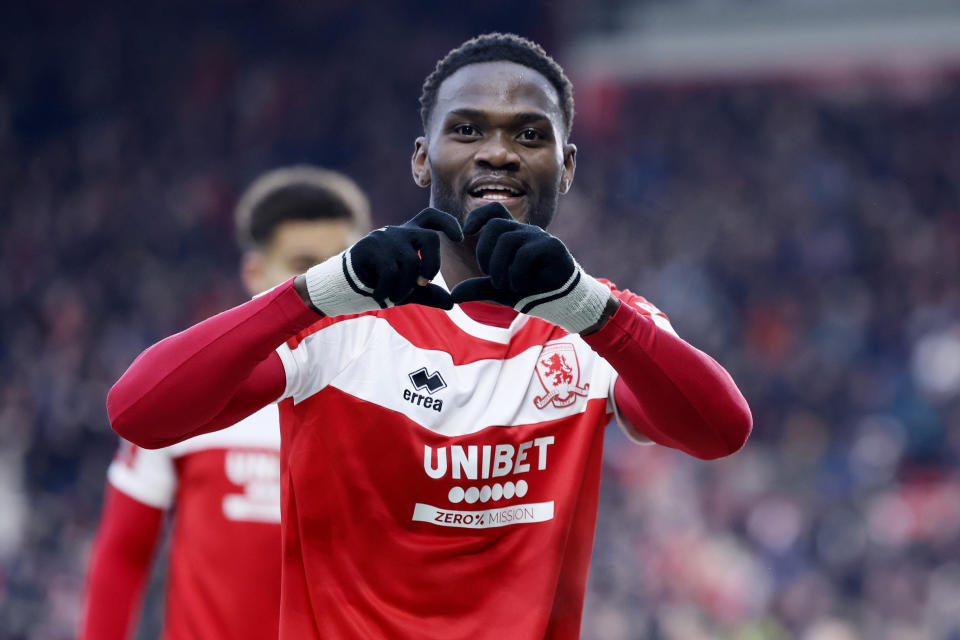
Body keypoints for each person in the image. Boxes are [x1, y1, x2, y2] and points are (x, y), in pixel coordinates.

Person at [107, 33, 752, 639]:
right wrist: (315, 293)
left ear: (568, 165)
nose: (498, 152)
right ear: (422, 158)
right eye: (467, 129)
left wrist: (586, 306)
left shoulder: (599, 327)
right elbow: (137, 410)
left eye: (530, 134)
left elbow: (720, 430)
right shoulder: (342, 322)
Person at [79, 166, 370, 640]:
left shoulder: (396, 391)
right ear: (254, 271)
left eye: (341, 266)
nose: (327, 286)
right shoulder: (189, 397)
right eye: (305, 265)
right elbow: (124, 553)